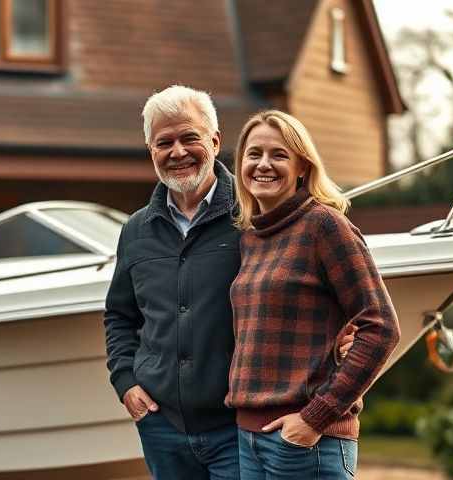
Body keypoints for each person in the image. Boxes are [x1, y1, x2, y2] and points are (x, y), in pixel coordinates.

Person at [103, 87, 354, 480]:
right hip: (161, 427)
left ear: (215, 141)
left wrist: (344, 331)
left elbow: (316, 287)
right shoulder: (136, 230)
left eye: (190, 138)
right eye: (164, 142)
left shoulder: (255, 215)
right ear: (150, 150)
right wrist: (125, 381)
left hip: (238, 429)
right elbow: (120, 315)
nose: (178, 152)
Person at [225, 110, 400, 479]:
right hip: (249, 438)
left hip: (306, 443)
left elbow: (381, 326)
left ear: (303, 167)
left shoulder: (324, 225)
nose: (263, 164)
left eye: (279, 155)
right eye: (253, 154)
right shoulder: (250, 238)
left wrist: (314, 419)